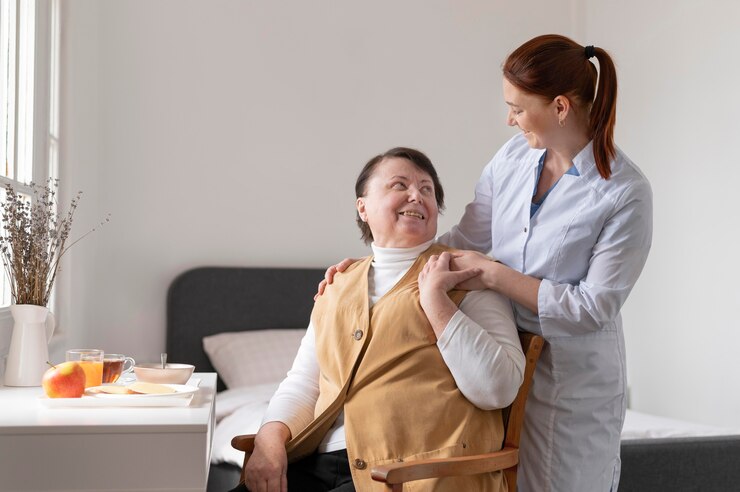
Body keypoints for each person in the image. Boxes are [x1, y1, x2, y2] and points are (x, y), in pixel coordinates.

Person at [319, 35, 653, 492]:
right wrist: (376, 266)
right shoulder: (513, 157)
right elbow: (464, 239)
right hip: (500, 354)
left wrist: (495, 274)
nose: (509, 119)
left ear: (559, 107)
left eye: (517, 108)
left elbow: (592, 308)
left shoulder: (625, 192)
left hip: (572, 378)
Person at [232, 148, 525, 492]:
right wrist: (269, 440)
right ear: (363, 207)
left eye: (427, 189)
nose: (416, 195)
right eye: (399, 185)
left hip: (412, 475)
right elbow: (304, 383)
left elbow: (498, 389)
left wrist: (437, 303)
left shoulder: (467, 274)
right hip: (319, 464)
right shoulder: (338, 284)